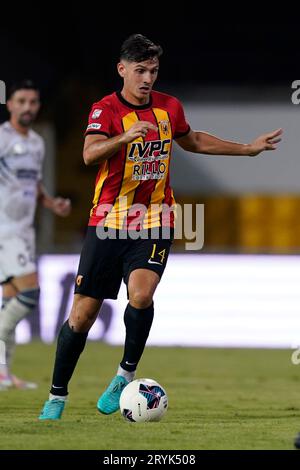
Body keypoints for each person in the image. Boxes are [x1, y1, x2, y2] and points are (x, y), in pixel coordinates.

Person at [38, 34, 282, 419]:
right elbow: (88, 154)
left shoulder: (170, 107)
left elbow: (195, 140)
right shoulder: (105, 109)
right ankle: (56, 396)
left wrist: (247, 149)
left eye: (153, 70)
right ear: (122, 70)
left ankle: (124, 374)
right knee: (82, 316)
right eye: (140, 70)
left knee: (141, 295)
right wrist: (124, 137)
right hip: (108, 222)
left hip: (155, 219)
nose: (147, 77)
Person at [0, 80, 71, 390]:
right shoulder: (1, 138)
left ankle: (3, 374)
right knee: (30, 293)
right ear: (10, 104)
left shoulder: (37, 143)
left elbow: (35, 183)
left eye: (33, 101)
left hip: (24, 230)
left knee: (11, 299)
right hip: (4, 229)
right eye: (22, 101)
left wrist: (51, 202)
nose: (28, 107)